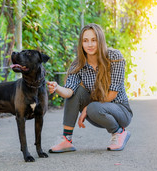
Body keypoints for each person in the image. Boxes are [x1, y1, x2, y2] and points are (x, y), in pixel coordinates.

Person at [47, 23, 133, 153]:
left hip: (120, 111)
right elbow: (69, 91)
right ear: (81, 43)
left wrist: (87, 107)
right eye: (85, 41)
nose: (90, 45)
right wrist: (57, 87)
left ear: (100, 40)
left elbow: (112, 94)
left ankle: (119, 133)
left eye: (94, 40)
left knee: (93, 107)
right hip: (97, 113)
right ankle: (66, 139)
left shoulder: (114, 57)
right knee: (76, 92)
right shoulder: (78, 64)